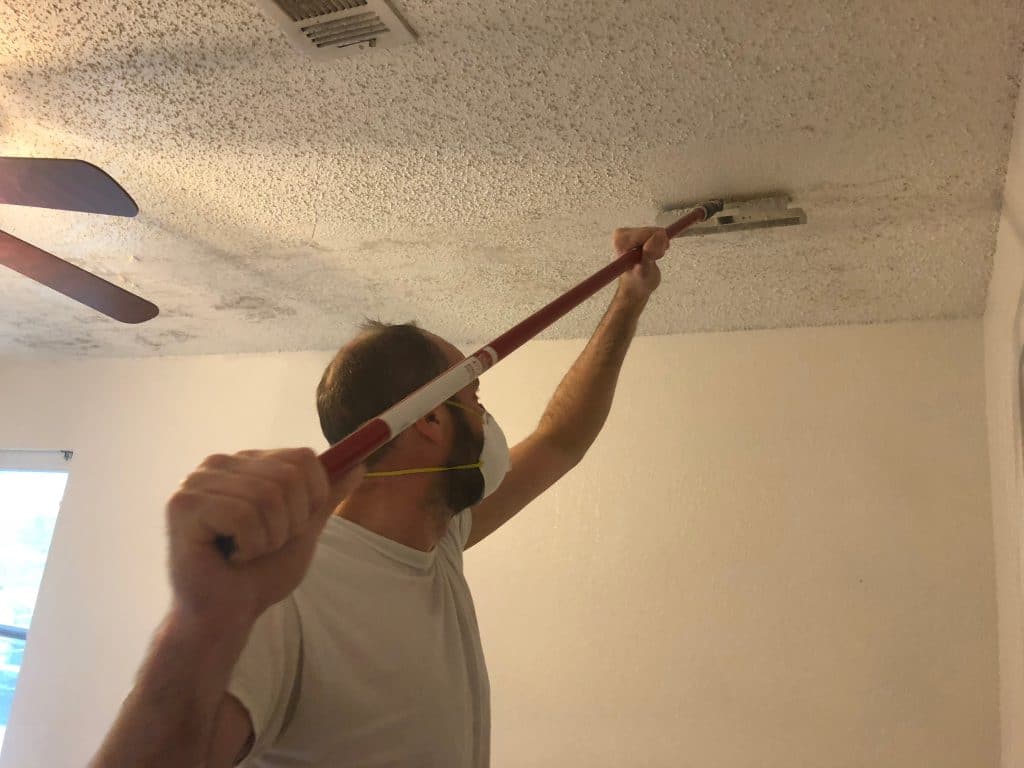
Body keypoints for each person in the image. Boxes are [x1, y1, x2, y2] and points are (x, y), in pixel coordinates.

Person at [89, 226, 670, 768]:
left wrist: (630, 298)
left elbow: (560, 440)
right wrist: (202, 621)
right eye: (476, 395)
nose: (487, 418)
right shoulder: (287, 593)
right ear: (430, 423)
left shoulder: (439, 542)